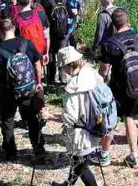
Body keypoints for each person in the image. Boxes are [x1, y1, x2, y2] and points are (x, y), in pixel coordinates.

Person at [0, 18, 46, 162]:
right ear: (14, 28)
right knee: (32, 120)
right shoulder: (27, 44)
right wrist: (38, 83)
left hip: (8, 93)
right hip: (28, 90)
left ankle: (10, 153)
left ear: (0, 33)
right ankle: (39, 151)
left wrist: (0, 84)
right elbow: (38, 66)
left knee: (7, 121)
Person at [51, 46, 108, 186]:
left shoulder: (73, 89)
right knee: (78, 162)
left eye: (62, 67)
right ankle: (68, 184)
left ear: (68, 66)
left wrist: (49, 116)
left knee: (81, 166)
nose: (62, 70)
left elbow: (70, 118)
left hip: (80, 133)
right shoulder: (91, 73)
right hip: (95, 125)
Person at [100, 8, 138, 169]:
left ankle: (105, 155)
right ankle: (134, 156)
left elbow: (104, 70)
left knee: (111, 120)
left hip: (118, 85)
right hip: (137, 83)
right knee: (130, 118)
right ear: (128, 21)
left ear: (113, 25)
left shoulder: (109, 44)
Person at [13, 0, 50, 74]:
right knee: (38, 73)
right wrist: (46, 53)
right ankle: (39, 83)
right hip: (39, 50)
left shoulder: (15, 19)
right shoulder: (41, 14)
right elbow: (47, 36)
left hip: (24, 53)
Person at [41, 0, 67, 88]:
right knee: (62, 55)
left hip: (51, 32)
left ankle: (51, 79)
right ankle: (63, 78)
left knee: (50, 55)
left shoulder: (45, 1)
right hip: (63, 33)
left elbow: (43, 17)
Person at [92, 0, 117, 82]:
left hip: (107, 47)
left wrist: (95, 47)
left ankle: (103, 90)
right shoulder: (120, 10)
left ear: (104, 0)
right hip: (119, 44)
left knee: (103, 71)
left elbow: (99, 34)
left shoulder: (103, 15)